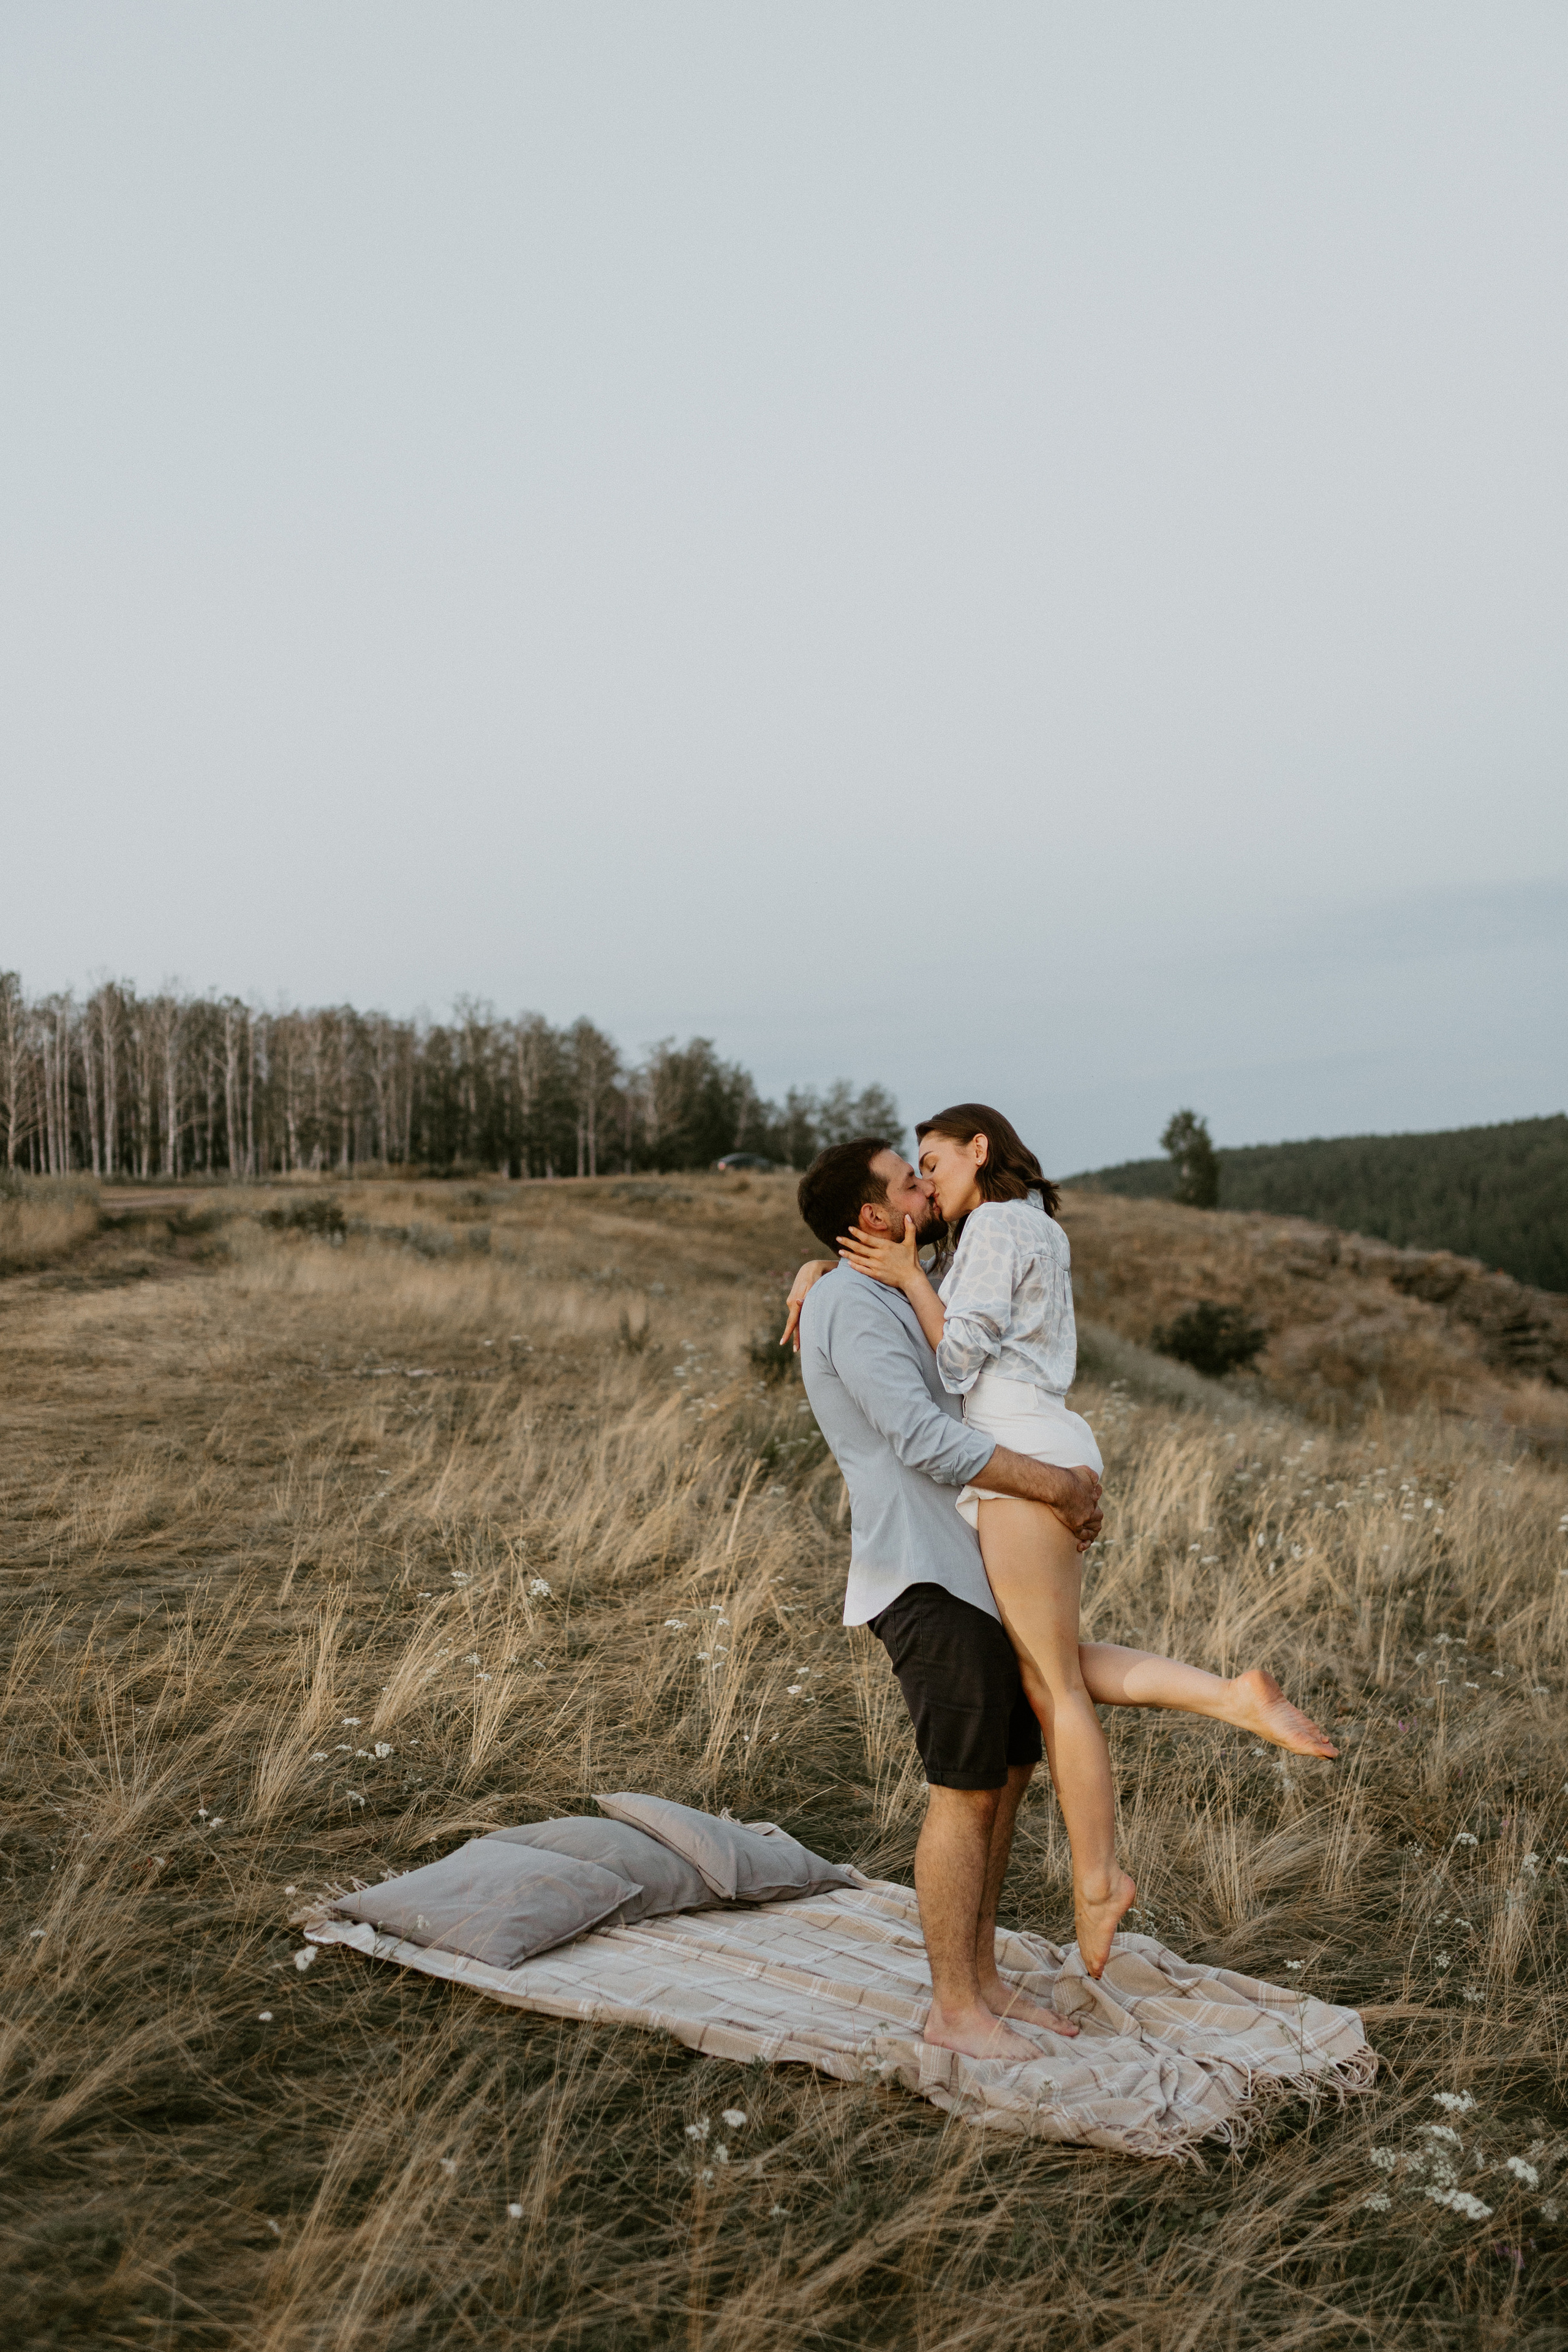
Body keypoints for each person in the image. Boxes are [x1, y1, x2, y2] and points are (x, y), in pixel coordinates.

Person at [787, 1130, 1335, 2059]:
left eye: (927, 1168)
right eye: (906, 1180)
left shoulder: (884, 1287)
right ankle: (953, 2009)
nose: (924, 1187)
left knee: (1004, 1780)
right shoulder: (851, 1304)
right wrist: (1053, 1483)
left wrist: (808, 1267)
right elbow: (921, 1437)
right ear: (874, 1217)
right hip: (919, 1575)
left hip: (967, 1569)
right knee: (962, 1794)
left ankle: (986, 1983)